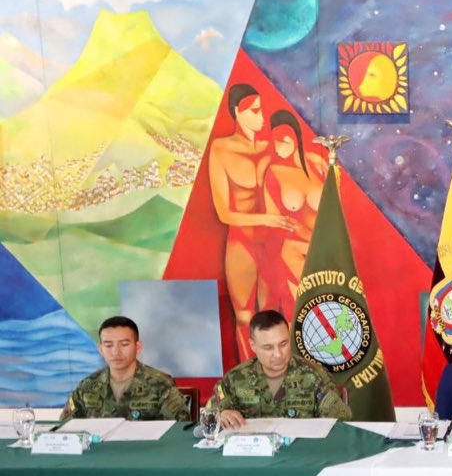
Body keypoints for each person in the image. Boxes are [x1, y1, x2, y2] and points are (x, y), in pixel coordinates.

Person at [208, 83, 296, 359]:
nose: (261, 117)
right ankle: (249, 378)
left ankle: (278, 376)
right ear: (238, 111)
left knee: (272, 318)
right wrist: (268, 218)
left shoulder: (272, 148)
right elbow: (224, 213)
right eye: (254, 111)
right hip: (242, 242)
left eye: (261, 110)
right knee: (245, 317)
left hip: (273, 244)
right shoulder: (221, 149)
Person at [208, 310, 351, 428]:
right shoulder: (236, 378)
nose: (278, 354)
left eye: (283, 344)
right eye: (268, 347)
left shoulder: (314, 375)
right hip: (253, 452)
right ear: (253, 345)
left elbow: (341, 419)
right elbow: (210, 414)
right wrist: (221, 414)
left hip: (301, 451)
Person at [261, 109, 328, 319]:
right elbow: (275, 223)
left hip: (327, 250)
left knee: (331, 314)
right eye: (274, 144)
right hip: (296, 253)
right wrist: (301, 232)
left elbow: (339, 210)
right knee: (306, 315)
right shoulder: (274, 172)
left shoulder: (318, 164)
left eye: (279, 143)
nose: (276, 149)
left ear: (291, 138)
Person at [61, 316, 189, 421]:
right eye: (108, 345)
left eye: (124, 344)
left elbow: (179, 429)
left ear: (138, 347)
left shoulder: (160, 384)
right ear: (101, 349)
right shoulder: (87, 386)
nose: (116, 352)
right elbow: (65, 427)